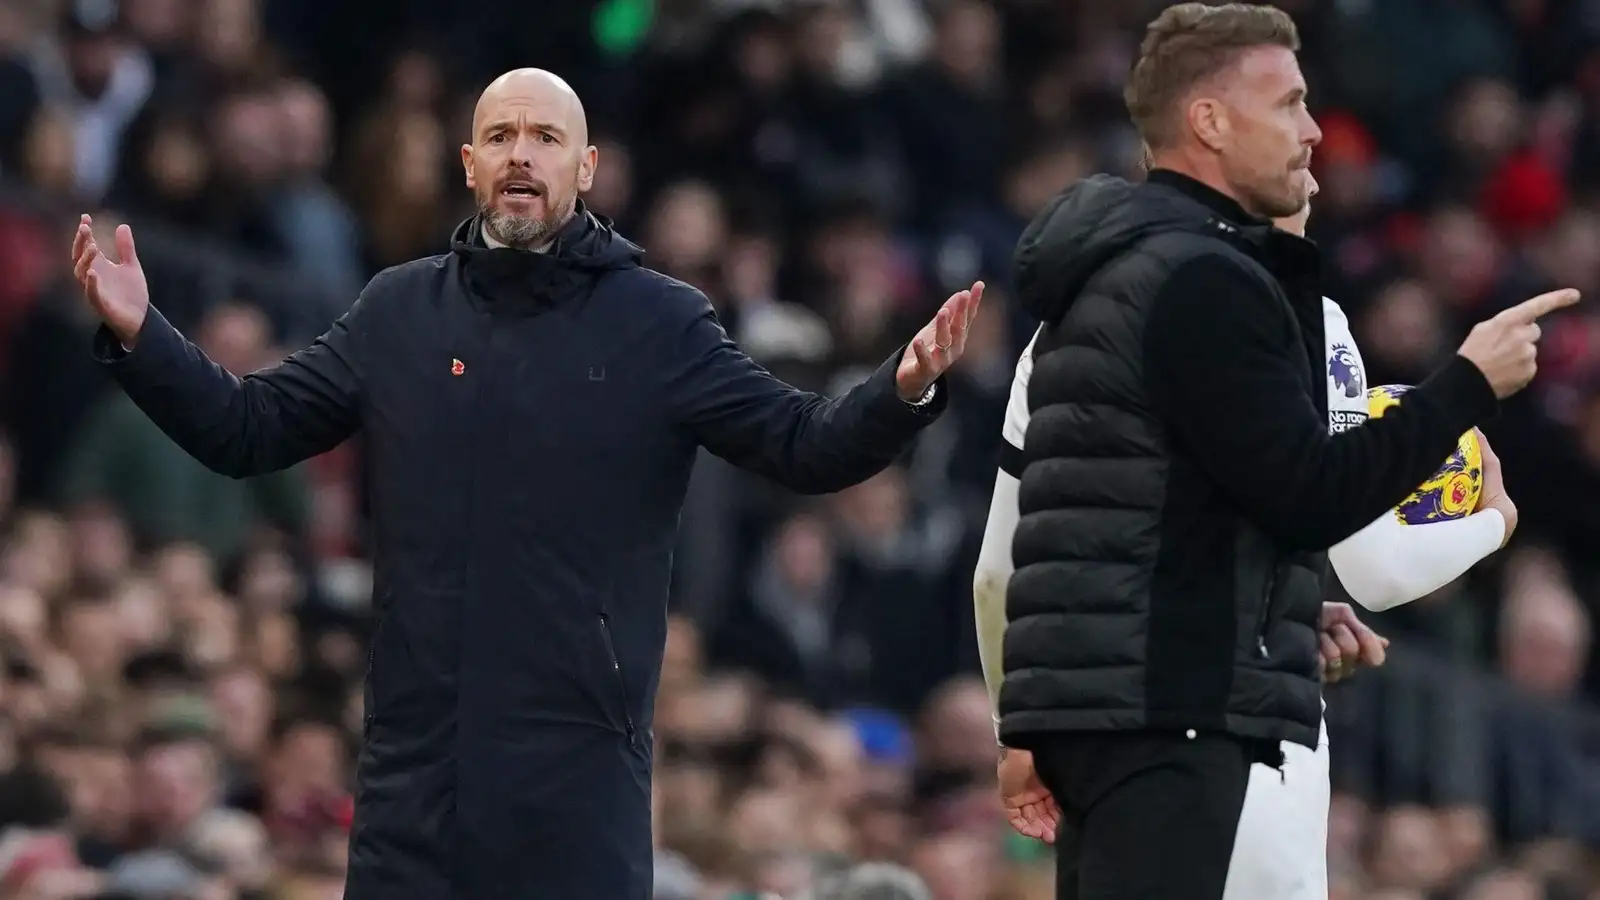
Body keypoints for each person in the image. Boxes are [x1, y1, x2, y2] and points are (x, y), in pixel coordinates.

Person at [68, 68, 982, 900]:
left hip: (575, 775)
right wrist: (146, 338)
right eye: (501, 137)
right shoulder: (398, 311)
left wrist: (900, 390)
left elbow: (802, 444)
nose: (520, 156)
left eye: (544, 139)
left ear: (586, 169)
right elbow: (246, 429)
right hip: (412, 780)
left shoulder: (657, 323)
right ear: (469, 165)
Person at [984, 4, 1577, 899]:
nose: (1313, 135)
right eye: (1292, 104)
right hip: (1193, 718)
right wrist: (1469, 404)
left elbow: (1033, 557)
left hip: (1107, 718)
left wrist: (1025, 720)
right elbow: (1320, 506)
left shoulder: (1086, 298)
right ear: (1210, 122)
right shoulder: (1216, 286)